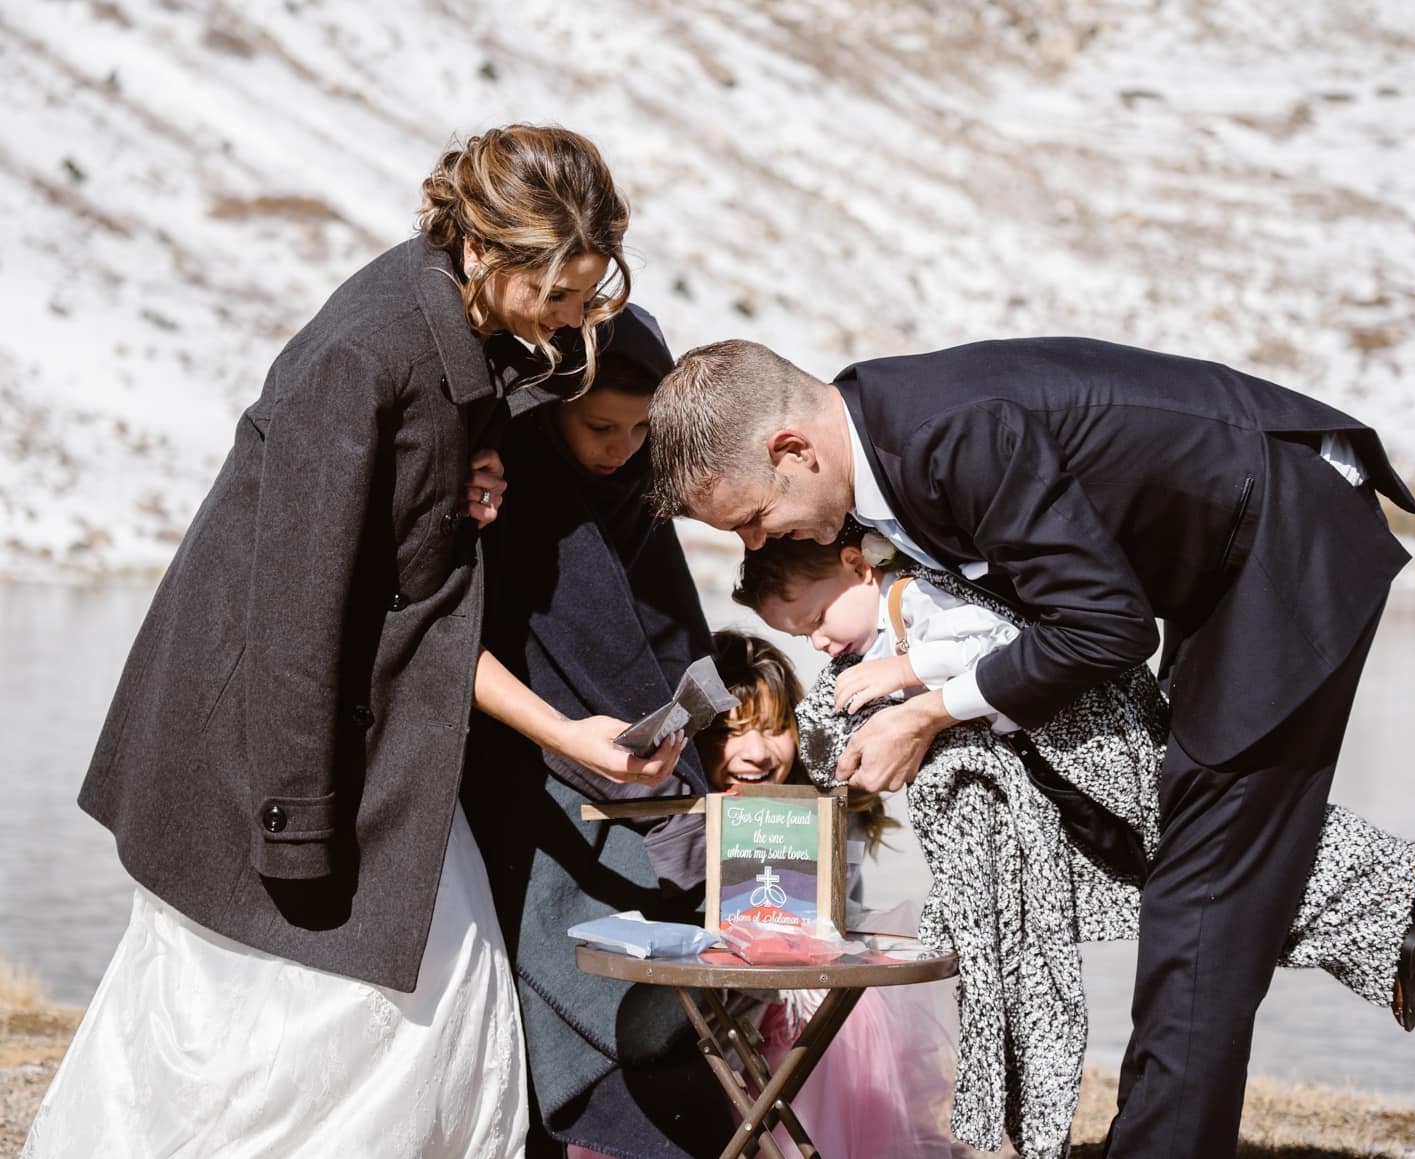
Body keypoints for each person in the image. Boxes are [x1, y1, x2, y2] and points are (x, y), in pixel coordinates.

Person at [645, 336, 1415, 1157]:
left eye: (754, 520)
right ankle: (1384, 902)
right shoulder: (882, 438)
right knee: (1192, 866)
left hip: (1284, 535)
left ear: (791, 450)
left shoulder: (948, 439)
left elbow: (1106, 625)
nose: (761, 544)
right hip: (1217, 561)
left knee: (1204, 893)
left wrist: (930, 711)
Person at [26, 126, 684, 1159]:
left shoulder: (460, 336)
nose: (569, 325)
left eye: (584, 296)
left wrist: (480, 463)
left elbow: (408, 565)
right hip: (275, 760)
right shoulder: (365, 353)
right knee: (281, 1038)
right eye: (557, 296)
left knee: (433, 1010)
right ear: (484, 251)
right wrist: (295, 827)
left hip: (372, 746)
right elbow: (295, 609)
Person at [731, 531, 1415, 1033]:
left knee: (1216, 853)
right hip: (1060, 787)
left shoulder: (919, 596)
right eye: (802, 636)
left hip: (1100, 750)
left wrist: (903, 675)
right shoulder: (869, 641)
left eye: (819, 615)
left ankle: (1406, 876)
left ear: (860, 566)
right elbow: (835, 743)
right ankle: (1386, 940)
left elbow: (997, 640)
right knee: (1185, 883)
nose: (820, 639)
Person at [463, 305, 734, 1159]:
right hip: (518, 775)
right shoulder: (508, 489)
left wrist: (688, 737)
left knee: (664, 971)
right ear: (549, 409)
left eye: (641, 428)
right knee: (573, 981)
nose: (619, 447)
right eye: (598, 425)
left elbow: (668, 641)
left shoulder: (635, 499)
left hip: (646, 783)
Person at [700, 630, 974, 1159]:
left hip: (794, 1011)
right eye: (732, 732)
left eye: (774, 729)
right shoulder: (669, 815)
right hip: (708, 1013)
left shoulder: (824, 806)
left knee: (852, 1002)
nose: (756, 753)